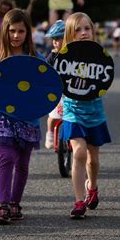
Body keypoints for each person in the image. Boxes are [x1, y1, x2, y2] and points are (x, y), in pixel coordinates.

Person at [0, 8, 43, 225]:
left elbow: (46, 87)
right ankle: (3, 205)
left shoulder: (36, 58)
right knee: (7, 158)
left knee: (23, 164)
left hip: (29, 118)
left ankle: (15, 203)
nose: (16, 36)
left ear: (28, 32)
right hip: (4, 119)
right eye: (12, 31)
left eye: (21, 31)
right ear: (4, 32)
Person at [61, 12, 111, 219]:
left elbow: (105, 78)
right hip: (72, 112)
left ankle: (93, 187)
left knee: (93, 159)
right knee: (79, 152)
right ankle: (79, 200)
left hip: (95, 113)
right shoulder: (63, 58)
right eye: (77, 30)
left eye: (87, 29)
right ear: (70, 35)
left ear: (93, 31)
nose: (83, 33)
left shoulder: (100, 56)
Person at [44, 20, 65, 149]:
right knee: (53, 116)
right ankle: (50, 133)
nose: (55, 42)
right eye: (54, 39)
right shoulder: (52, 56)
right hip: (57, 91)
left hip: (71, 90)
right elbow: (44, 71)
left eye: (59, 39)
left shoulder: (75, 54)